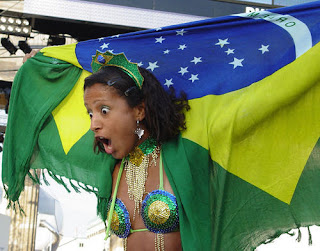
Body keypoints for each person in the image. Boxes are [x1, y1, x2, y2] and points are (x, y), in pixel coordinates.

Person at [83, 51, 190, 250]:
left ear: (139, 111)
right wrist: (40, 64)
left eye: (103, 110)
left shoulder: (181, 159)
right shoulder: (111, 171)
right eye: (90, 113)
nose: (93, 124)